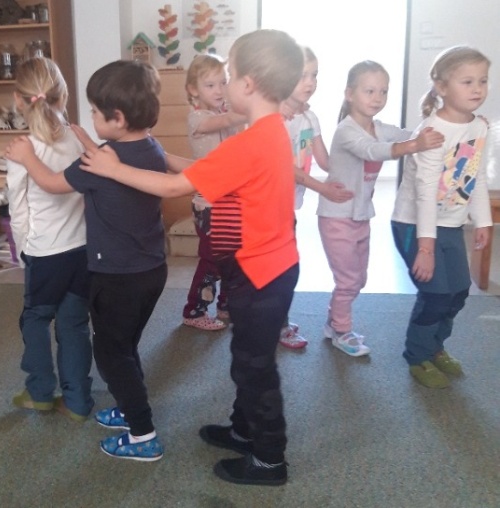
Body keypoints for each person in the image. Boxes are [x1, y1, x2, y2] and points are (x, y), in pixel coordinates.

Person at [77, 29, 305, 486]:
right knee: (248, 356)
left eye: (230, 75)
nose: (226, 85)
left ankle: (269, 460)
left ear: (248, 84)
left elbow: (175, 188)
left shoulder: (250, 142)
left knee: (254, 367)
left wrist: (115, 168)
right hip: (265, 269)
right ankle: (243, 431)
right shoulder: (267, 133)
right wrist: (159, 155)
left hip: (260, 274)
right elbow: (201, 171)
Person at [5, 59, 167, 461]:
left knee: (102, 350)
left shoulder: (92, 158)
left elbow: (46, 186)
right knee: (111, 339)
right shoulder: (147, 148)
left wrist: (27, 158)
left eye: (95, 112)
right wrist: (86, 142)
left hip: (105, 270)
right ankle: (104, 405)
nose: (90, 118)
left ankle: (141, 433)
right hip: (137, 265)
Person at [316, 60, 444, 357]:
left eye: (383, 91)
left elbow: (407, 133)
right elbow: (372, 150)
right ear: (350, 94)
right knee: (348, 280)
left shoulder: (379, 128)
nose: (377, 98)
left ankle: (333, 322)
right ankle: (341, 330)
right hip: (336, 217)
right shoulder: (346, 131)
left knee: (358, 279)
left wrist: (445, 128)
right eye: (369, 91)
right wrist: (414, 146)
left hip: (361, 216)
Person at [391, 46, 492, 388]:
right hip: (414, 224)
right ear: (441, 86)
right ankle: (417, 355)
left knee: (458, 291)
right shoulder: (433, 132)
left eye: (482, 80)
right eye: (467, 81)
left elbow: (475, 177)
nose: (477, 89)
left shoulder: (480, 127)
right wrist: (426, 249)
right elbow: (425, 193)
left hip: (449, 223)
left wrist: (482, 221)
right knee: (435, 294)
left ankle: (435, 347)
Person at [6, 57, 93, 421]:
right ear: (63, 94)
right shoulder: (77, 138)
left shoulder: (22, 150)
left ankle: (40, 392)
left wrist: (23, 251)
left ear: (18, 99)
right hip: (82, 250)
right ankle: (77, 401)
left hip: (45, 254)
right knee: (74, 325)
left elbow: (18, 209)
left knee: (35, 320)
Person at [278, 46, 354, 349]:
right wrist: (323, 189)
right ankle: (276, 325)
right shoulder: (274, 118)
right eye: (302, 75)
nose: (310, 82)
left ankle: (275, 319)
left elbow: (325, 160)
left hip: (288, 206)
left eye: (314, 75)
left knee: (286, 267)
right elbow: (286, 168)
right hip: (268, 206)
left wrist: (357, 156)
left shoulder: (309, 118)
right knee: (282, 269)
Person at [181, 54, 246, 331]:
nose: (219, 90)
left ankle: (226, 305)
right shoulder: (197, 118)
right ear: (193, 90)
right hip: (208, 205)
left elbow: (239, 138)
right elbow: (220, 123)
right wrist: (253, 109)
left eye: (223, 82)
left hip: (231, 202)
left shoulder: (225, 114)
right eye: (210, 85)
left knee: (233, 257)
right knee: (212, 261)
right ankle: (194, 311)